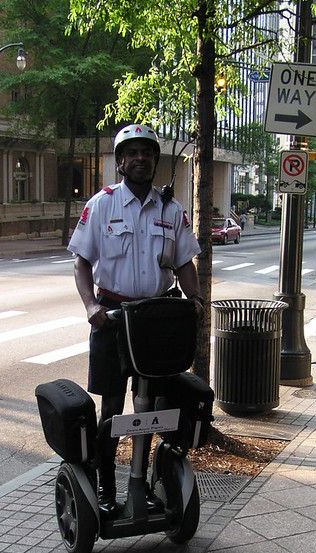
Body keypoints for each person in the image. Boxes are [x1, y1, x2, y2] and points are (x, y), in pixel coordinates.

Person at [68, 124, 202, 512]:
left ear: (155, 161)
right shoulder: (101, 205)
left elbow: (185, 263)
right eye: (132, 153)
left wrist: (194, 298)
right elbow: (81, 262)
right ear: (121, 162)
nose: (140, 158)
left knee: (157, 407)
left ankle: (146, 479)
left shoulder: (171, 210)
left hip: (157, 320)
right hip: (112, 317)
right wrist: (91, 307)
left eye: (147, 152)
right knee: (112, 409)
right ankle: (106, 486)